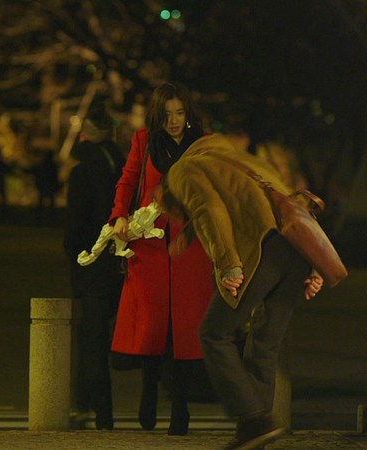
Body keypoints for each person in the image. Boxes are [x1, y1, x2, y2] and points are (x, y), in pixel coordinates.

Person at [154, 133, 324, 450]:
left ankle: (254, 420)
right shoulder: (236, 160)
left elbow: (208, 208)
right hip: (295, 252)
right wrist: (314, 265)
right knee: (264, 344)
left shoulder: (182, 171)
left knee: (214, 333)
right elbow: (284, 203)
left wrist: (228, 264)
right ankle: (255, 432)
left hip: (263, 250)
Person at [108, 82, 214, 436]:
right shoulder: (144, 140)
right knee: (152, 325)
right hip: (149, 245)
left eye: (179, 113)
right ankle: (149, 391)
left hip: (190, 246)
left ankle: (180, 407)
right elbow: (128, 181)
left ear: (188, 113)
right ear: (157, 115)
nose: (173, 121)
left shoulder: (203, 143)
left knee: (184, 329)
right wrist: (119, 216)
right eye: (167, 114)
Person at [63, 106, 126, 430]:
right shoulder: (125, 167)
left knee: (92, 340)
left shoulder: (82, 172)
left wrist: (76, 261)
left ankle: (95, 409)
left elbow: (75, 226)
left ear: (84, 135)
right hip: (123, 261)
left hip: (93, 263)